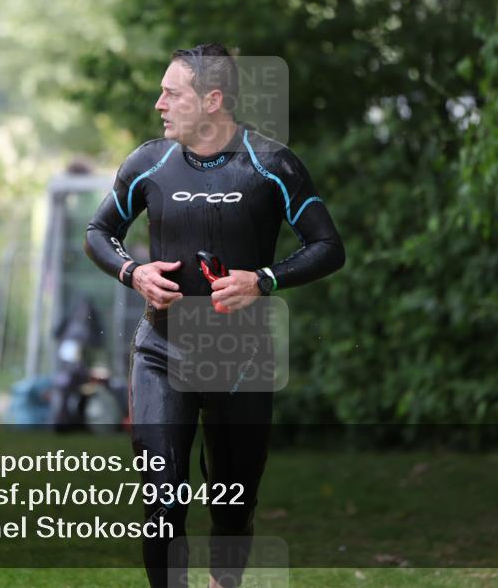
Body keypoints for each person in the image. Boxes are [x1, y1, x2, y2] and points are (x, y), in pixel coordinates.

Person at [85, 44, 344, 587]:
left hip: (241, 360)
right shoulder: (149, 163)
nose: (159, 104)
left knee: (232, 506)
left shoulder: (270, 164)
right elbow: (98, 232)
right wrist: (133, 272)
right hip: (160, 352)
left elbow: (327, 247)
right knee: (163, 501)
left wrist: (264, 280)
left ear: (212, 100)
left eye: (171, 93)